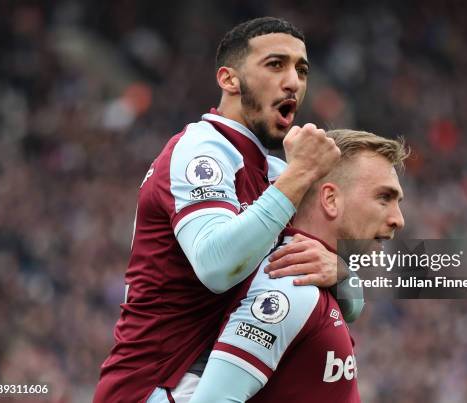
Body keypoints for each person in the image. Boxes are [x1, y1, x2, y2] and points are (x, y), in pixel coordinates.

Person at [94, 17, 361, 403]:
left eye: (301, 70)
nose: (293, 82)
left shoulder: (273, 173)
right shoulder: (200, 150)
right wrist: (300, 174)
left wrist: (341, 272)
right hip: (155, 388)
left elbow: (353, 305)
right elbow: (217, 266)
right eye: (275, 65)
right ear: (229, 79)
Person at [188, 129, 408, 402]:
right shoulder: (290, 287)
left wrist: (345, 275)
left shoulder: (318, 282)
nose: (398, 220)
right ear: (330, 200)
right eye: (384, 198)